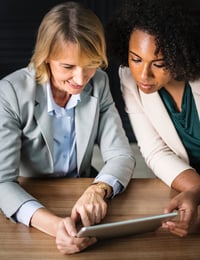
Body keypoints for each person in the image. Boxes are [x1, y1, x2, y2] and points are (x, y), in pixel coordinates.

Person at [0, 2, 135, 255]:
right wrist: (54, 226)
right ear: (45, 58)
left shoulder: (99, 82)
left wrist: (97, 189)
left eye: (90, 64)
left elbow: (121, 155)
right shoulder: (9, 93)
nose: (81, 79)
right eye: (68, 67)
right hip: (31, 196)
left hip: (81, 191)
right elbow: (2, 182)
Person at [107, 0, 200, 238]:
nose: (143, 74)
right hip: (187, 185)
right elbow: (155, 151)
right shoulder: (129, 78)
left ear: (181, 54)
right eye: (135, 59)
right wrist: (196, 189)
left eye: (158, 64)